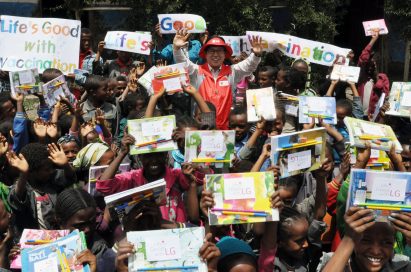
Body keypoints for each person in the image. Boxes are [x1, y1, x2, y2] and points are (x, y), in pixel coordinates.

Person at [96, 133, 200, 223]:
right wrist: (122, 153)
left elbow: (199, 174)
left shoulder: (177, 175)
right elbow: (104, 185)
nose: (154, 160)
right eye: (148, 156)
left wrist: (186, 146)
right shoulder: (132, 178)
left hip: (175, 235)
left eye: (158, 155)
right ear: (139, 158)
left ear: (166, 156)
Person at [173, 30, 263, 129]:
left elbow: (249, 66)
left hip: (226, 131)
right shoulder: (196, 71)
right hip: (202, 130)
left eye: (219, 51)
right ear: (205, 54)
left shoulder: (232, 72)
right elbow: (182, 63)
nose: (216, 54)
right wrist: (177, 48)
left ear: (225, 54)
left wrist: (256, 55)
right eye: (212, 51)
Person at [6, 143, 76, 234]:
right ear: (32, 172)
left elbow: (70, 179)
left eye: (52, 168)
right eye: (46, 170)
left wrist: (65, 165)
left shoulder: (52, 180)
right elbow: (16, 199)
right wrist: (24, 174)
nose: (51, 171)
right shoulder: (23, 187)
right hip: (34, 243)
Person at [319, 207, 411, 271]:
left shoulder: (402, 267)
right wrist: (349, 238)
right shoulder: (333, 262)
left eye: (387, 242)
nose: (376, 251)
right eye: (366, 240)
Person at [55, 188, 115, 272]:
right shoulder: (43, 246)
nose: (87, 229)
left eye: (92, 222)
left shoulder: (103, 255)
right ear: (61, 223)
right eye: (79, 225)